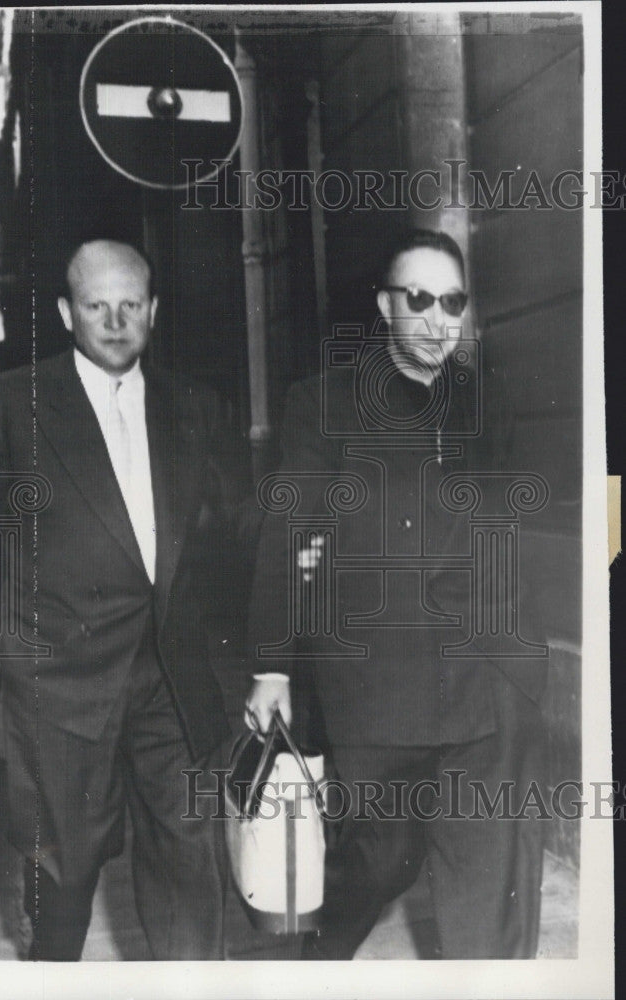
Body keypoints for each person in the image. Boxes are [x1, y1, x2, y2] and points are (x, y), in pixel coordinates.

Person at [245, 229, 548, 959]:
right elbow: (285, 535)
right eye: (419, 300)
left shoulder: (484, 403)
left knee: (486, 895)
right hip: (377, 690)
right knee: (370, 868)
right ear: (384, 305)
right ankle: (305, 961)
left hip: (485, 683)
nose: (439, 318)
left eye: (452, 301)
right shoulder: (323, 403)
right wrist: (271, 666)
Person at [0, 235, 249, 960]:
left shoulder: (197, 407)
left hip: (174, 681)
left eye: (130, 305)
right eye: (97, 305)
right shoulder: (9, 404)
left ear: (153, 311)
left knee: (190, 865)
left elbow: (236, 534)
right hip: (58, 685)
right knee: (63, 878)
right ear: (66, 312)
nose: (115, 321)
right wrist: (5, 654)